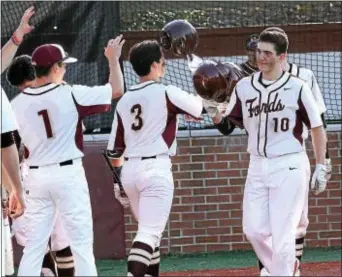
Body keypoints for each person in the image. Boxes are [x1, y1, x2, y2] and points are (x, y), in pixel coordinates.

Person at [200, 28, 327, 276]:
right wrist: (214, 110)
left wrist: (322, 164)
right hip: (257, 165)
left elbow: (317, 127)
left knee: (283, 233)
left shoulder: (298, 87)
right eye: (259, 51)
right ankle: (287, 269)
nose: (261, 57)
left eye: (267, 53)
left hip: (289, 163)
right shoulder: (244, 87)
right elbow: (228, 125)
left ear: (282, 56)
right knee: (254, 231)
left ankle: (282, 270)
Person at [10, 34, 125, 275]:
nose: (64, 69)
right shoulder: (71, 93)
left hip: (35, 177)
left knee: (34, 247)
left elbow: (10, 147)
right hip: (67, 174)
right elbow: (116, 90)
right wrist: (113, 60)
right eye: (62, 65)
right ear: (55, 68)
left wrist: (12, 186)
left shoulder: (16, 104)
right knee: (81, 244)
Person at [106, 40, 202, 277]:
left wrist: (117, 181)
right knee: (149, 234)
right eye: (161, 60)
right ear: (153, 65)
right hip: (155, 169)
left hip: (129, 172)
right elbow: (199, 108)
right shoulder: (166, 91)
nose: (164, 63)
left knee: (150, 235)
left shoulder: (125, 99)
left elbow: (114, 150)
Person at [6, 54, 75, 276]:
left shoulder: (12, 107)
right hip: (60, 172)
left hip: (26, 178)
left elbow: (7, 152)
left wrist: (9, 190)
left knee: (37, 249)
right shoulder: (59, 95)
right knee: (64, 245)